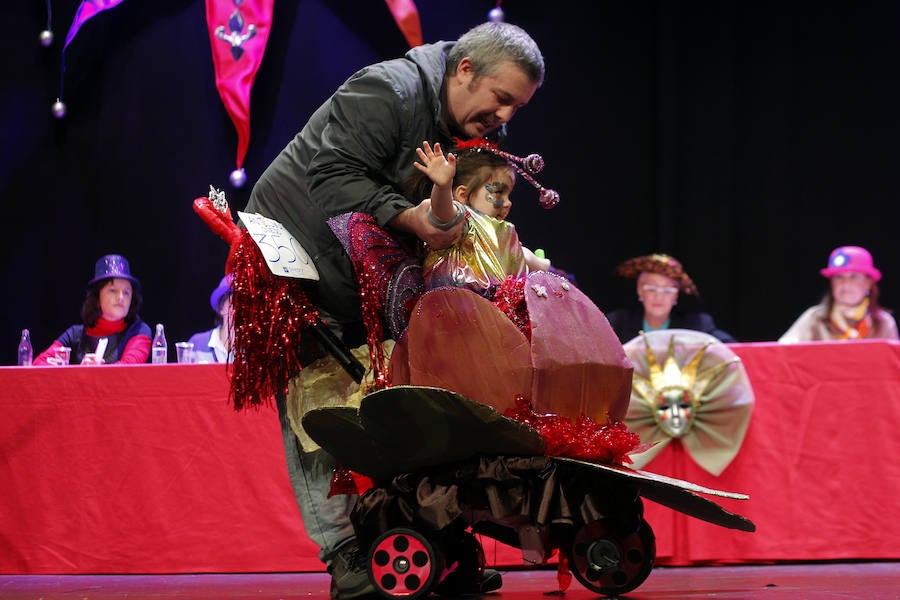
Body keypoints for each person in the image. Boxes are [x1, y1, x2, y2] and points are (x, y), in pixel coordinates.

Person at [241, 21, 545, 599]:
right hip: (294, 270)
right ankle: (347, 558)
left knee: (400, 405)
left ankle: (423, 536)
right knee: (318, 414)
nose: (504, 117)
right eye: (501, 98)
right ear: (464, 71)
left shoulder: (451, 120)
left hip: (364, 275)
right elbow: (330, 178)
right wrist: (415, 222)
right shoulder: (388, 90)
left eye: (516, 107)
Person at [33, 254, 152, 365]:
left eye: (126, 292)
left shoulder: (139, 330)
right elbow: (39, 365)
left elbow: (128, 370)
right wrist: (79, 371)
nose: (121, 297)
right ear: (97, 296)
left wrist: (93, 373)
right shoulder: (75, 334)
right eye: (113, 290)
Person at [605, 253, 736, 344]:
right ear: (640, 290)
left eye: (667, 291)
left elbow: (733, 349)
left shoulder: (696, 325)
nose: (659, 297)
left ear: (676, 295)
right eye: (652, 289)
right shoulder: (617, 323)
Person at [779, 245, 899, 343]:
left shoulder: (883, 323)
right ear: (832, 283)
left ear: (868, 283)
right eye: (839, 277)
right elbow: (783, 351)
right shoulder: (815, 319)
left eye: (854, 276)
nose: (845, 283)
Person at [187, 274, 234, 363]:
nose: (240, 309)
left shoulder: (253, 349)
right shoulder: (197, 344)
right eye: (233, 302)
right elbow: (183, 376)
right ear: (221, 308)